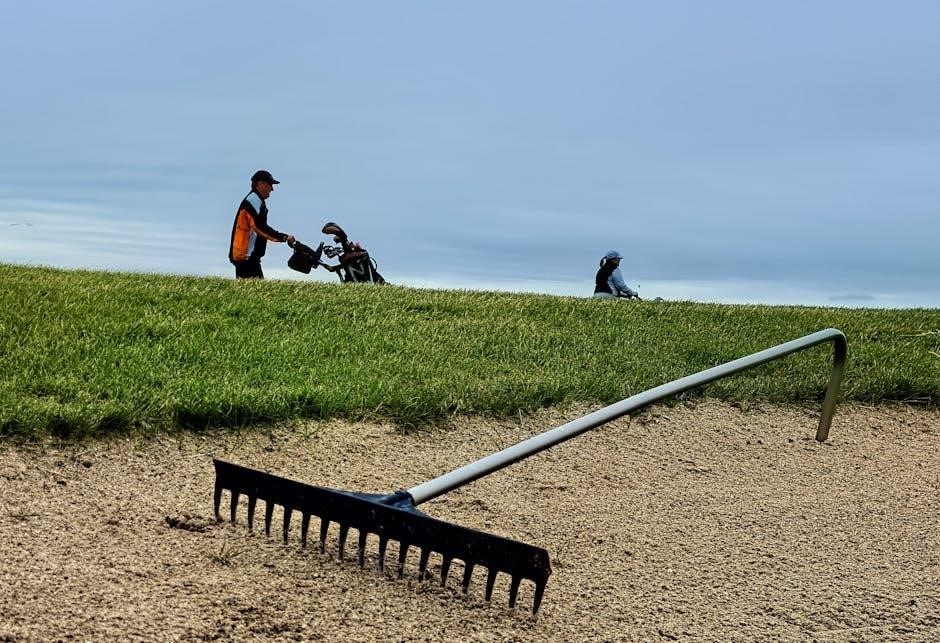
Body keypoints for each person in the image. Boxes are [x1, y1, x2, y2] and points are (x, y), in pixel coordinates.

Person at [228, 169, 295, 279]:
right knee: (254, 289)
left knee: (252, 289)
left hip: (247, 257)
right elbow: (258, 227)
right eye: (270, 185)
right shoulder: (253, 200)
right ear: (260, 184)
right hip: (246, 257)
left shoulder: (256, 200)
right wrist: (284, 237)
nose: (272, 189)